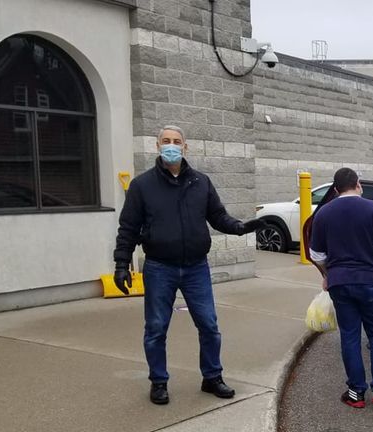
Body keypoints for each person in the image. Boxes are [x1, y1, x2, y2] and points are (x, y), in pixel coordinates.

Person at [113, 125, 265, 405]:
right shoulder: (142, 186)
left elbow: (218, 216)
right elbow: (128, 228)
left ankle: (212, 377)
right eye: (166, 141)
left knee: (209, 325)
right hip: (160, 267)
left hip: (196, 267)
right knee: (156, 327)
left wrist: (241, 227)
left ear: (186, 147)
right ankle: (158, 382)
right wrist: (121, 263)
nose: (172, 146)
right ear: (157, 146)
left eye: (177, 141)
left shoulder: (201, 182)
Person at [309, 168, 373, 408]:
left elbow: (316, 254)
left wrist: (327, 274)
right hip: (372, 283)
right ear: (358, 185)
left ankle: (355, 393)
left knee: (350, 336)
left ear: (335, 189)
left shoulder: (323, 213)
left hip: (340, 284)